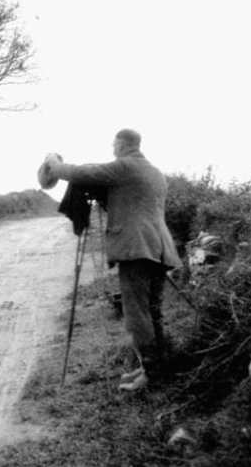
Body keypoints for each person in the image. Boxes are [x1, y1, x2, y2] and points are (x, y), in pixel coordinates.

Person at [44, 128, 181, 391]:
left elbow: (81, 174)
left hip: (137, 250)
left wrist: (55, 164)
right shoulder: (154, 172)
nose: (112, 150)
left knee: (136, 314)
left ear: (122, 144)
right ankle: (153, 368)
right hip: (159, 248)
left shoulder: (125, 167)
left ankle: (151, 375)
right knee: (152, 311)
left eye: (114, 145)